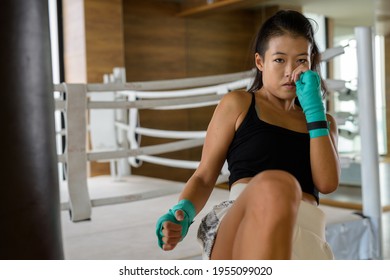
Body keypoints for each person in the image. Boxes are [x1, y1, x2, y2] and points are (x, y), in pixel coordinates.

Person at [156, 9, 340, 260]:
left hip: (307, 235)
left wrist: (314, 112)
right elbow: (204, 175)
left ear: (311, 64)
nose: (290, 71)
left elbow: (327, 183)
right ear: (260, 62)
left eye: (301, 60)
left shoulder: (324, 122)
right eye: (279, 60)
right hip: (242, 224)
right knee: (278, 186)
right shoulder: (238, 104)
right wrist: (183, 212)